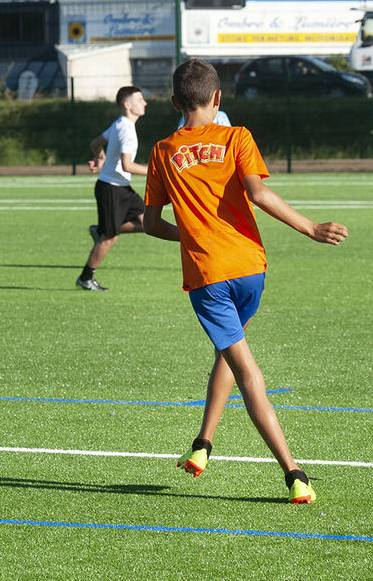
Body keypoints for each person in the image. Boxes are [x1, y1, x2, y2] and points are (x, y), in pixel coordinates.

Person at [142, 59, 348, 504]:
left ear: (175, 103)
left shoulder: (161, 151)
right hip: (251, 269)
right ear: (218, 99)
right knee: (228, 354)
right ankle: (203, 445)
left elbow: (150, 224)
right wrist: (310, 228)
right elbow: (259, 194)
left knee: (247, 371)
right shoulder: (238, 136)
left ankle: (294, 472)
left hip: (208, 277)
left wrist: (190, 235)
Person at [77, 86, 150, 291]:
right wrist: (156, 171)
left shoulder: (119, 124)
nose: (144, 103)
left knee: (150, 223)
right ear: (127, 105)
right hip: (111, 189)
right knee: (110, 238)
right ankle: (85, 277)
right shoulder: (126, 130)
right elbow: (128, 166)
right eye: (140, 99)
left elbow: (95, 143)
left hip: (121, 187)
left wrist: (100, 157)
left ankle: (101, 230)